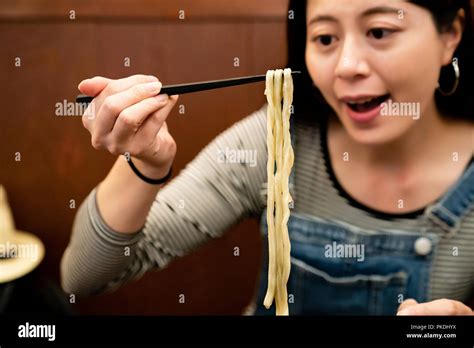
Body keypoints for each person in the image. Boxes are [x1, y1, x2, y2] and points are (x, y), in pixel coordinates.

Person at [61, 0, 474, 315]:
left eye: (380, 32)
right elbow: (85, 277)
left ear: (450, 35)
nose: (347, 66)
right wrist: (145, 164)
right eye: (325, 39)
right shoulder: (276, 139)